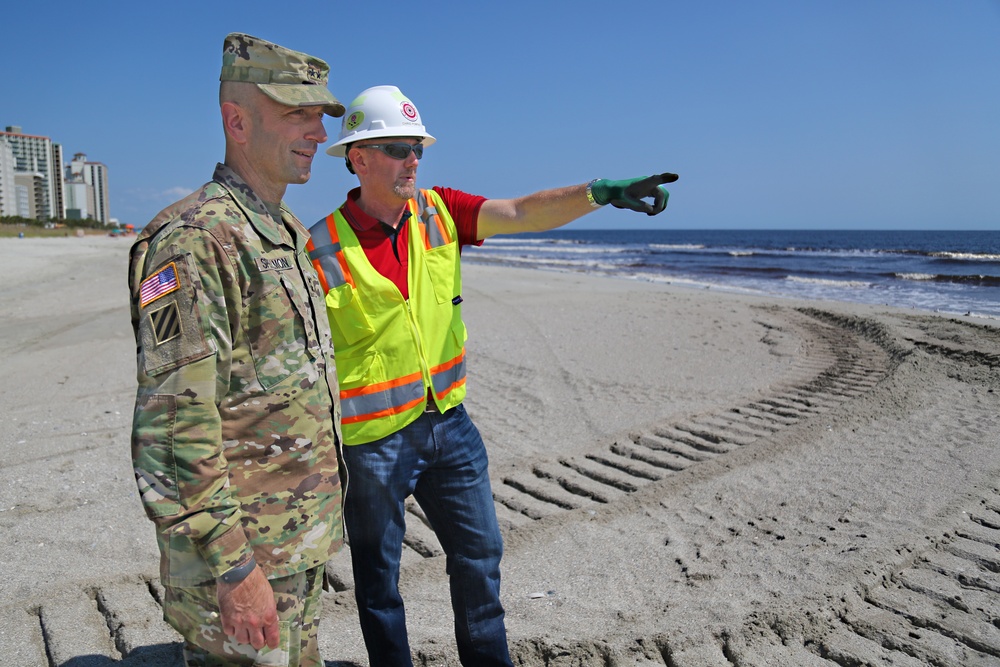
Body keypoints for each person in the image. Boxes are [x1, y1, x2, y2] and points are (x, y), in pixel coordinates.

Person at [306, 84, 678, 666]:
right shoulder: (320, 247)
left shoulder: (441, 211)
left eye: (418, 148)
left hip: (451, 426)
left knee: (480, 557)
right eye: (400, 147)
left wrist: (599, 192)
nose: (414, 160)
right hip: (373, 441)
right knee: (378, 581)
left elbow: (523, 211)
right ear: (359, 157)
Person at [128, 33, 345, 666]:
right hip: (244, 559)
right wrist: (233, 568)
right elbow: (173, 425)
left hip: (292, 544)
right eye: (296, 114)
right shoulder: (193, 243)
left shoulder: (281, 229)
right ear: (237, 121)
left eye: (320, 116)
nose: (317, 133)